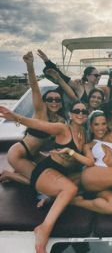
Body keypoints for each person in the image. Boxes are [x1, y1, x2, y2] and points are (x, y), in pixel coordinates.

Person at [0, 101, 93, 253]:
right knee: (70, 189)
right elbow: (38, 124)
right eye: (77, 110)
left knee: (85, 177)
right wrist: (14, 116)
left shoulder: (83, 133)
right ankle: (44, 228)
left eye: (84, 111)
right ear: (70, 114)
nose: (81, 114)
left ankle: (44, 194)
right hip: (46, 171)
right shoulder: (63, 128)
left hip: (60, 174)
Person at [0, 51, 65, 184]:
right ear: (45, 102)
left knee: (59, 172)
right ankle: (8, 175)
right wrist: (30, 65)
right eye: (50, 99)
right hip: (18, 153)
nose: (54, 102)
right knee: (42, 183)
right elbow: (35, 88)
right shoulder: (41, 112)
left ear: (61, 103)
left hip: (35, 155)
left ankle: (20, 171)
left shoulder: (60, 121)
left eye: (57, 99)